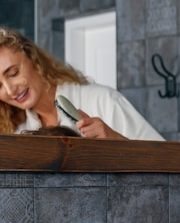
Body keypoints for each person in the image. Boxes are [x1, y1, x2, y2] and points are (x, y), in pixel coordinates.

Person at [0, 27, 163, 140]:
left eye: (13, 73)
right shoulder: (20, 134)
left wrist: (118, 142)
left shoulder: (103, 101)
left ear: (34, 60)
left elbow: (170, 164)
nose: (9, 90)